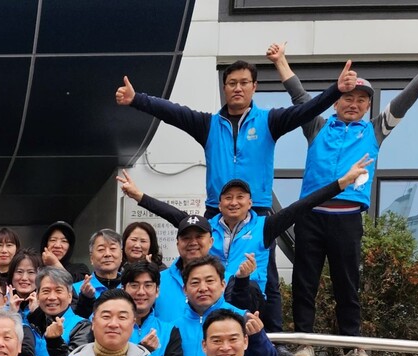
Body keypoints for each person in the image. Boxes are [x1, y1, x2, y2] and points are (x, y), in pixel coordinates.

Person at [116, 59, 358, 333]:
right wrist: (137, 99)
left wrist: (336, 91)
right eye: (232, 83)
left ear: (254, 87)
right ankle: (198, 327)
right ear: (224, 88)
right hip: (214, 212)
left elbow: (304, 111)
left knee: (265, 278)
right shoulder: (209, 124)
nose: (238, 88)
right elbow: (174, 112)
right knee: (203, 273)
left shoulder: (269, 121)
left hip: (259, 211)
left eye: (244, 83)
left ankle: (273, 337)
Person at [267, 38, 418, 356]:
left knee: (347, 284)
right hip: (311, 215)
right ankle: (304, 344)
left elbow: (409, 96)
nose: (353, 104)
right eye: (348, 98)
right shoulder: (317, 126)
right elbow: (299, 95)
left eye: (361, 100)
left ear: (368, 106)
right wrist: (281, 61)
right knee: (304, 282)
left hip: (348, 218)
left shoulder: (374, 131)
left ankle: (354, 347)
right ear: (335, 101)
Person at [117, 159, 374, 310]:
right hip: (214, 294)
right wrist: (138, 195)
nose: (234, 202)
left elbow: (303, 205)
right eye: (228, 198)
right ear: (219, 204)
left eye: (240, 197)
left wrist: (342, 183)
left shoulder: (265, 226)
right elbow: (172, 214)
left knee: (248, 287)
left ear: (250, 203)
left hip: (249, 298)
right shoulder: (207, 227)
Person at [175, 256, 277, 356]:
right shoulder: (174, 327)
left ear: (223, 285)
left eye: (209, 281)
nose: (202, 288)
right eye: (195, 283)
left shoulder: (242, 318)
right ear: (185, 289)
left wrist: (257, 338)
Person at [26, 267, 86, 356]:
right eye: (46, 291)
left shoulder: (81, 326)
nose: (52, 297)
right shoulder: (29, 324)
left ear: (70, 296)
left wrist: (55, 341)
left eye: (58, 291)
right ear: (37, 296)